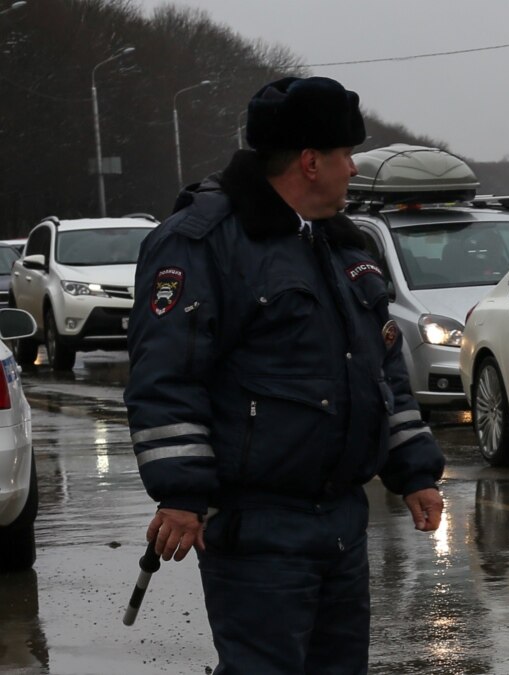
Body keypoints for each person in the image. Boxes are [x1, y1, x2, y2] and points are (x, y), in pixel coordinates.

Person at [124, 76, 446, 674]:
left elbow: (383, 371)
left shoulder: (344, 244)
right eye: (346, 155)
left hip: (341, 525)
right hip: (258, 528)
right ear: (309, 162)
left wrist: (414, 472)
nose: (354, 169)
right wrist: (183, 493)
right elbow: (167, 374)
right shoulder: (204, 243)